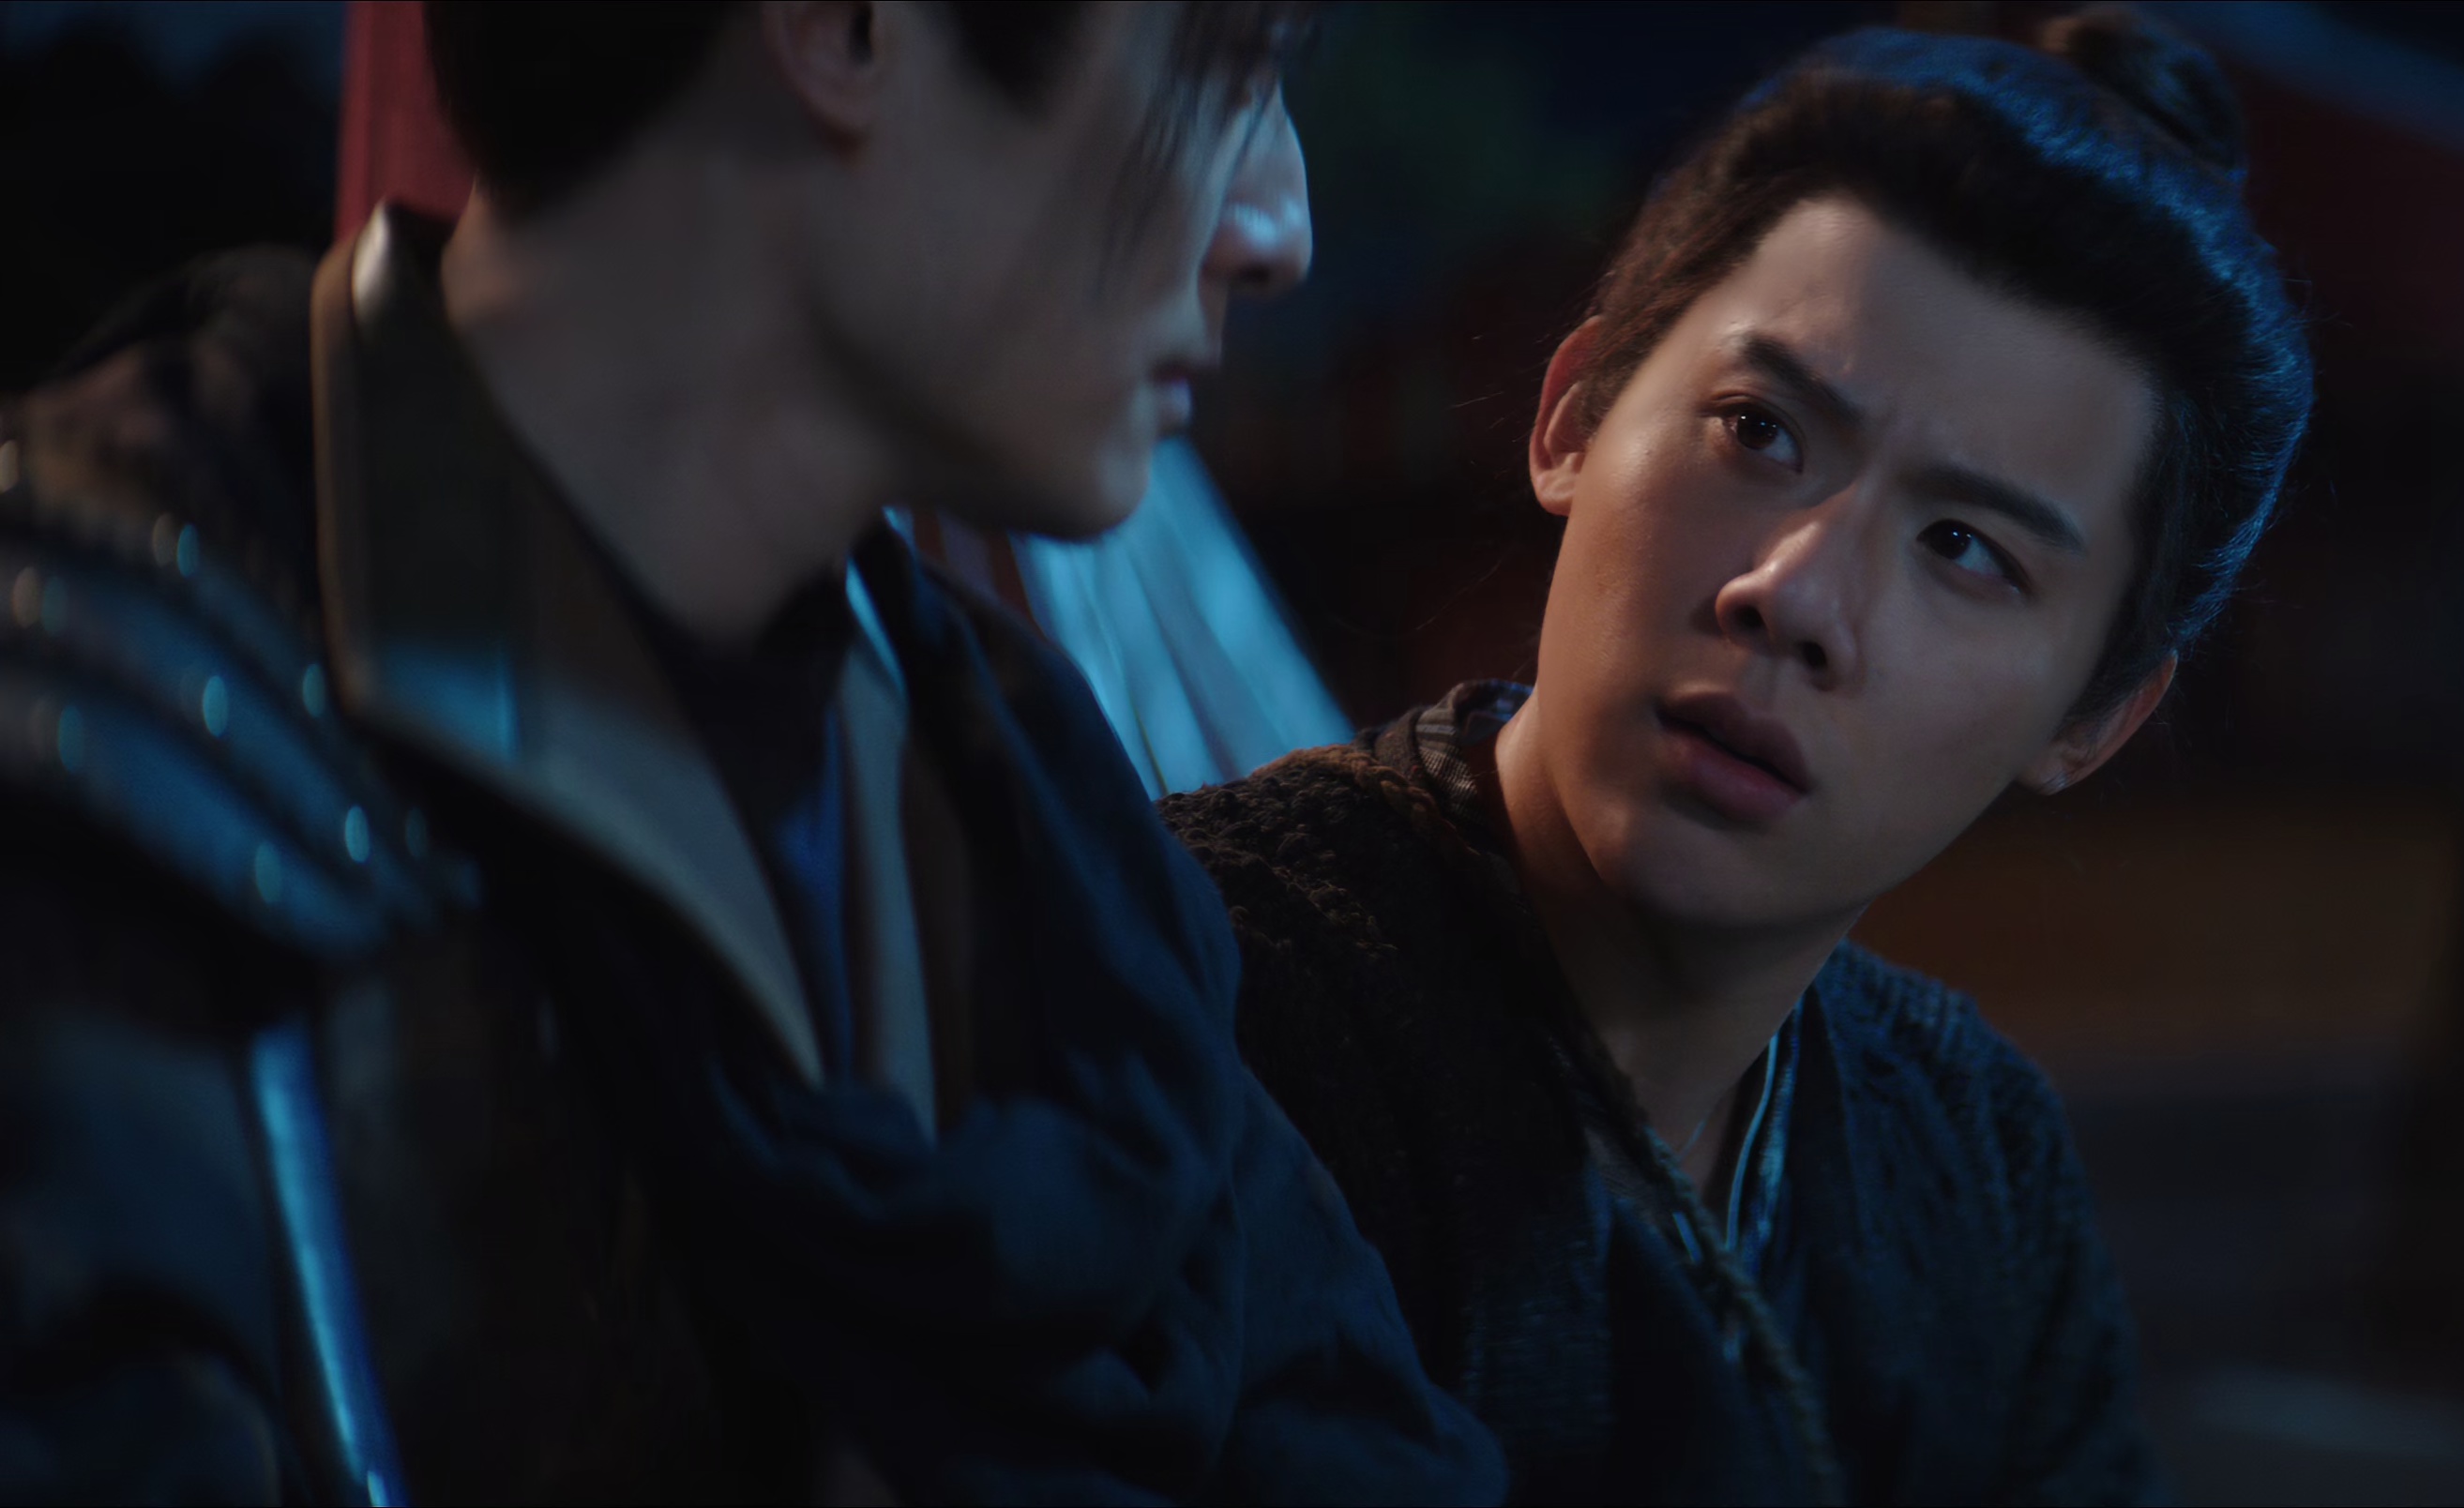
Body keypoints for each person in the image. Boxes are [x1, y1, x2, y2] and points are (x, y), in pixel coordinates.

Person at [0, 3, 1501, 1501]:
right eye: (1220, 68)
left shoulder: (1036, 816)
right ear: (845, 27)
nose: (1279, 228)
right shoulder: (116, 723)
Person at [1158, 10, 2312, 1501]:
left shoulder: (1974, 1158)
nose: (1799, 596)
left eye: (1966, 549)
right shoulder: (1184, 982)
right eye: (1760, 432)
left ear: (2096, 719)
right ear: (1573, 416)